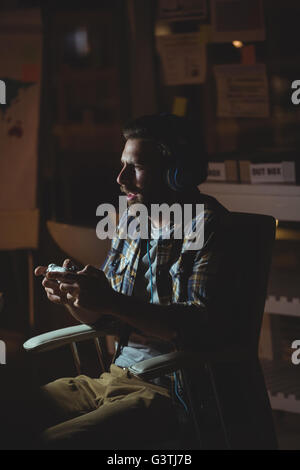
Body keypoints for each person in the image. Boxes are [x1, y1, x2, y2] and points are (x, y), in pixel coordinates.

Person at [33, 114, 228, 449]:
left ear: (176, 174)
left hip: (170, 390)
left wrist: (111, 300)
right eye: (122, 165)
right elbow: (108, 318)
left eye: (135, 167)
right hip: (116, 378)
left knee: (53, 442)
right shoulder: (133, 221)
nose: (120, 178)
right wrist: (77, 298)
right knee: (11, 412)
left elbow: (196, 328)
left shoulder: (208, 225)